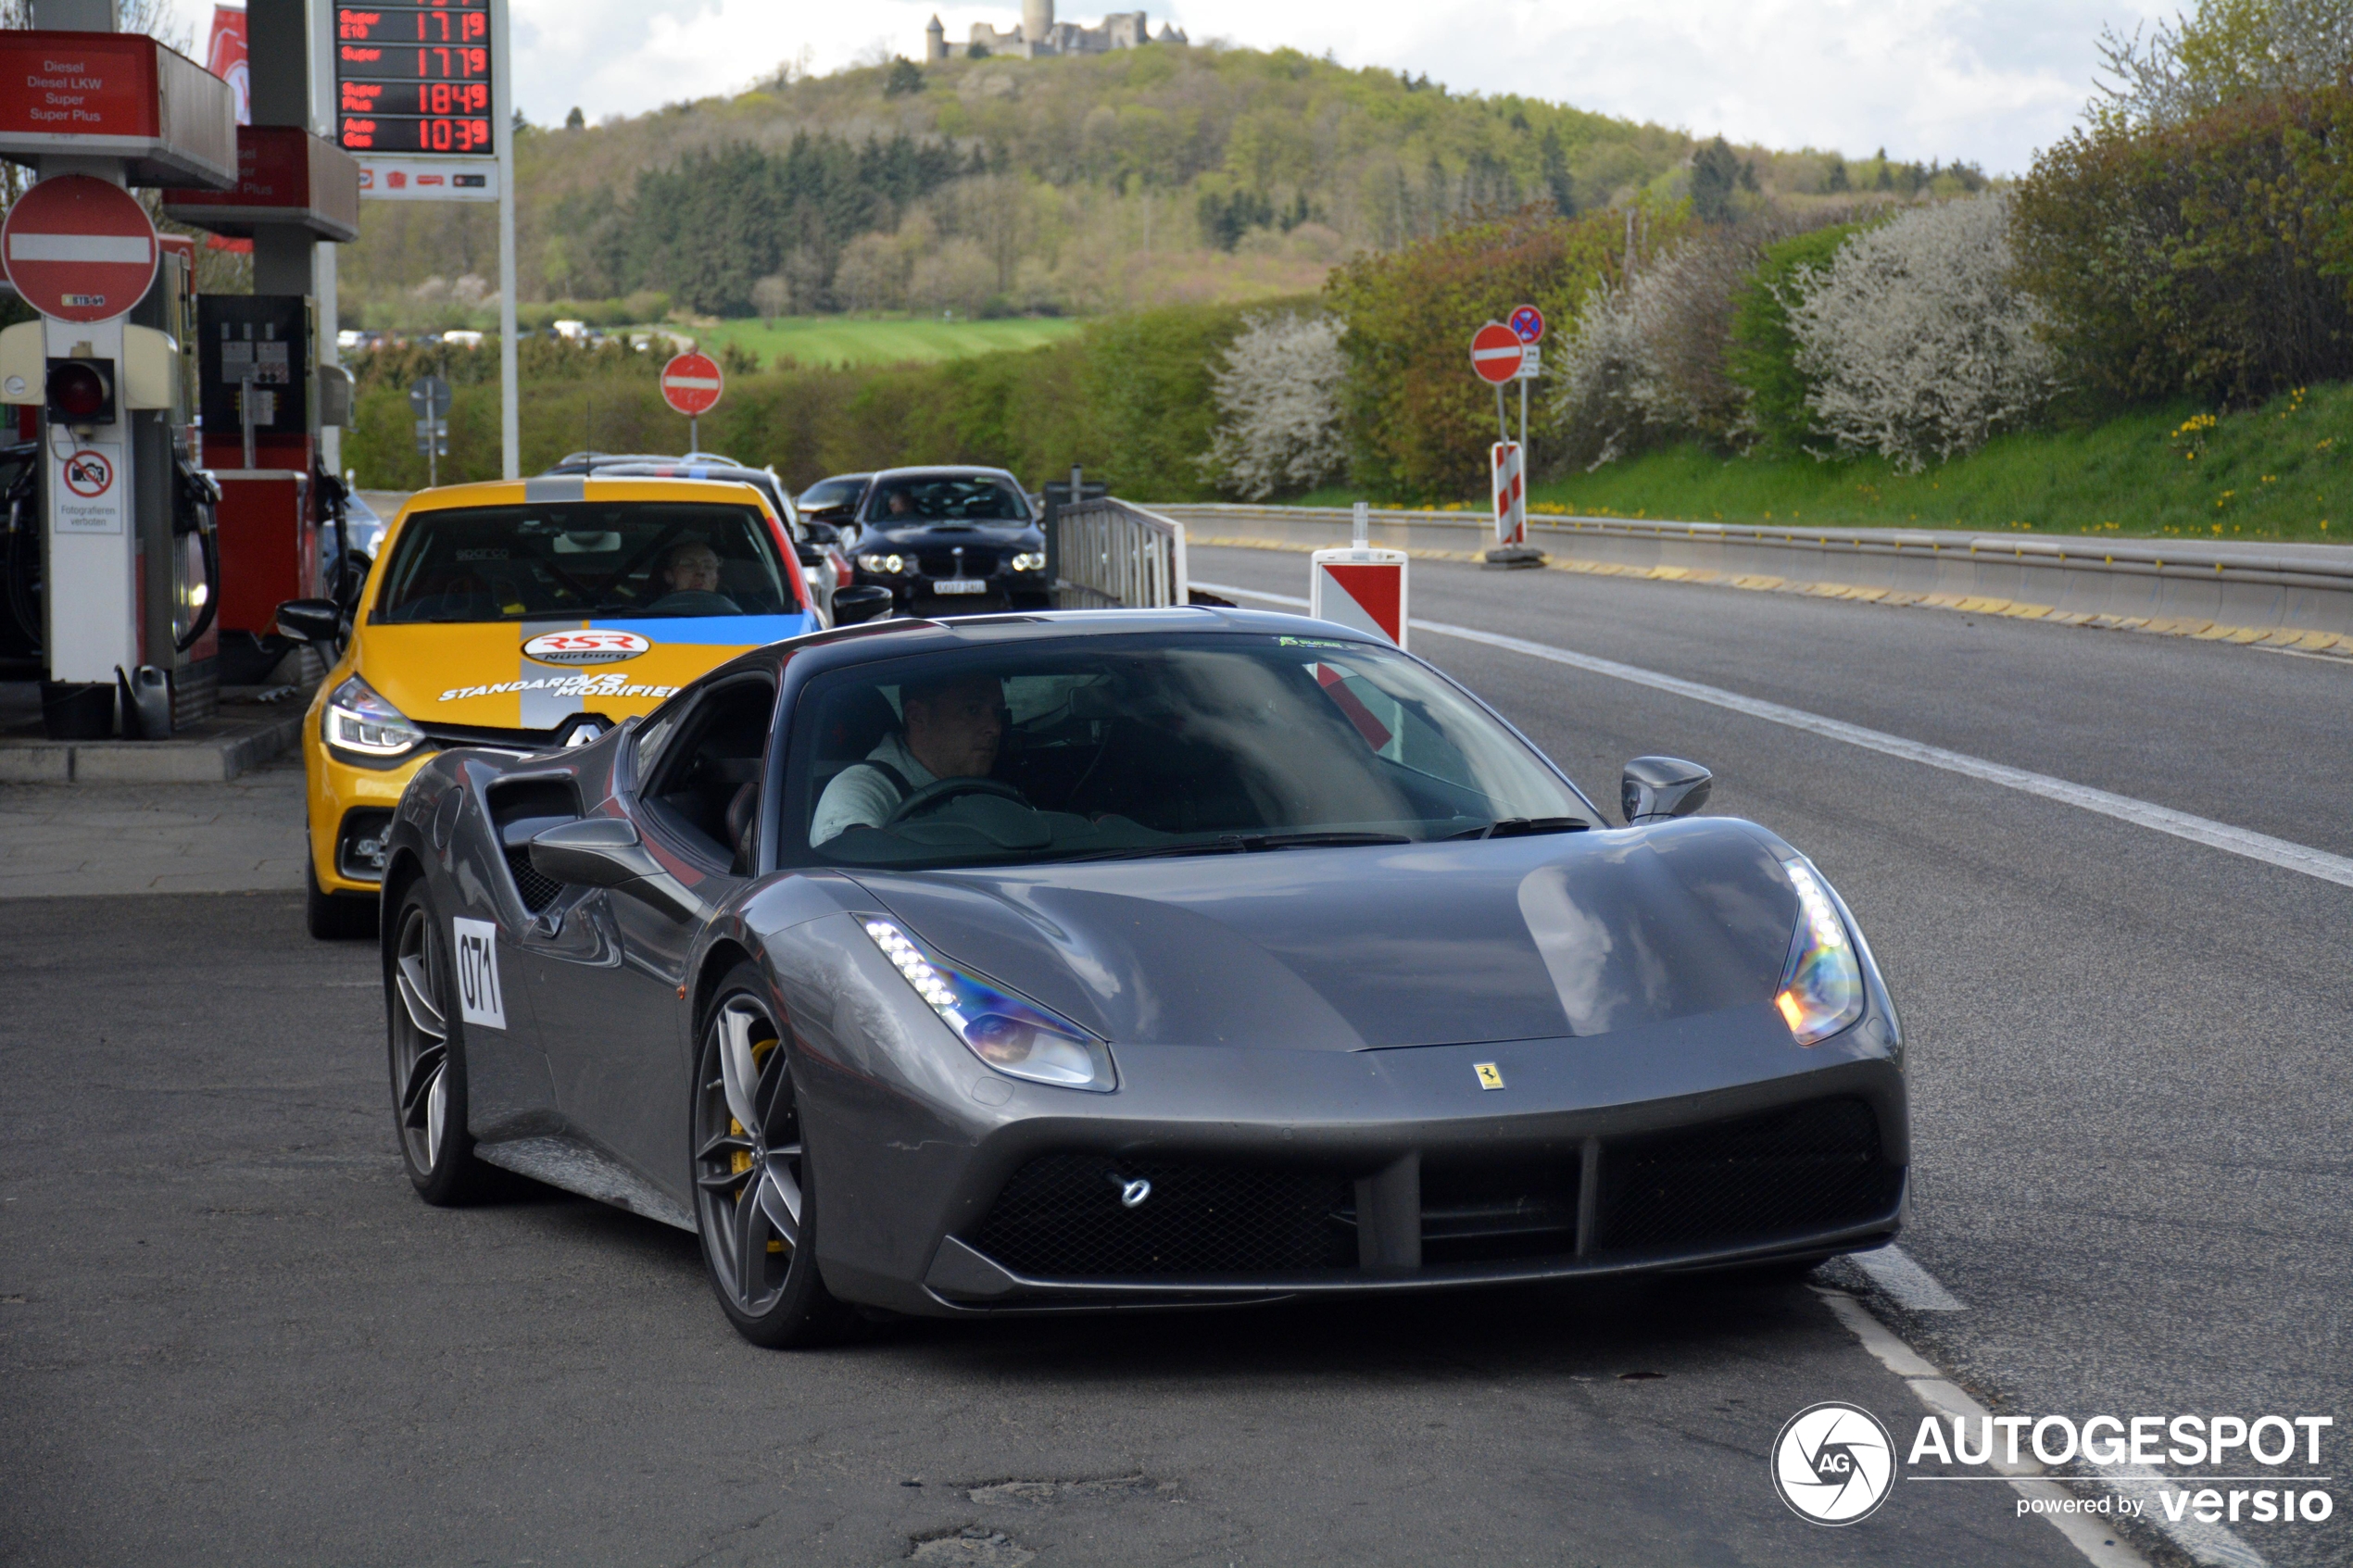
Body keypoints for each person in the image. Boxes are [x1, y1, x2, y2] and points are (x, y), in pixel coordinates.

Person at [811, 671, 1010, 845]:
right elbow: (852, 872)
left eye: (997, 712)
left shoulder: (1001, 777)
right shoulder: (858, 789)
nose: (995, 728)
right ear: (916, 716)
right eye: (972, 710)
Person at [647, 539, 738, 612]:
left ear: (717, 578)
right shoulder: (649, 617)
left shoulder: (737, 617)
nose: (700, 572)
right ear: (669, 576)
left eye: (708, 566)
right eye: (689, 565)